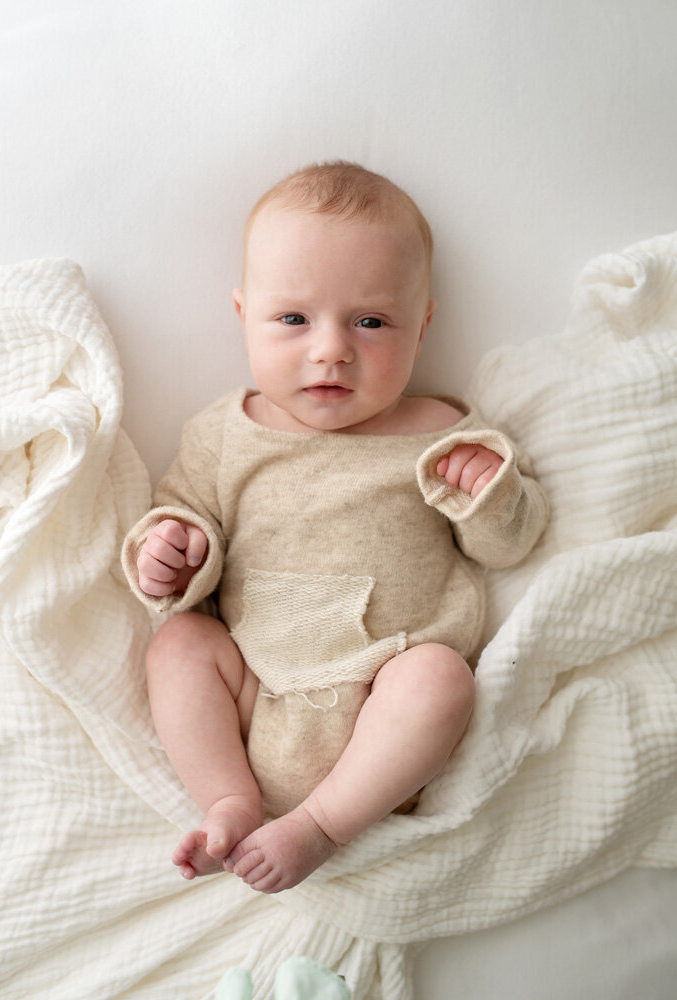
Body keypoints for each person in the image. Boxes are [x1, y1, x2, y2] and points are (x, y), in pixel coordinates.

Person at [121, 161, 549, 894]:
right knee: (180, 645)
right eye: (293, 319)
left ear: (423, 326)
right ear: (242, 314)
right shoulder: (227, 432)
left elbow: (510, 543)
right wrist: (172, 552)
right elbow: (185, 517)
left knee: (441, 680)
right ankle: (229, 798)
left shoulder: (444, 433)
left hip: (383, 710)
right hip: (257, 695)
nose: (331, 349)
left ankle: (318, 826)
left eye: (371, 322)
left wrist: (489, 494)